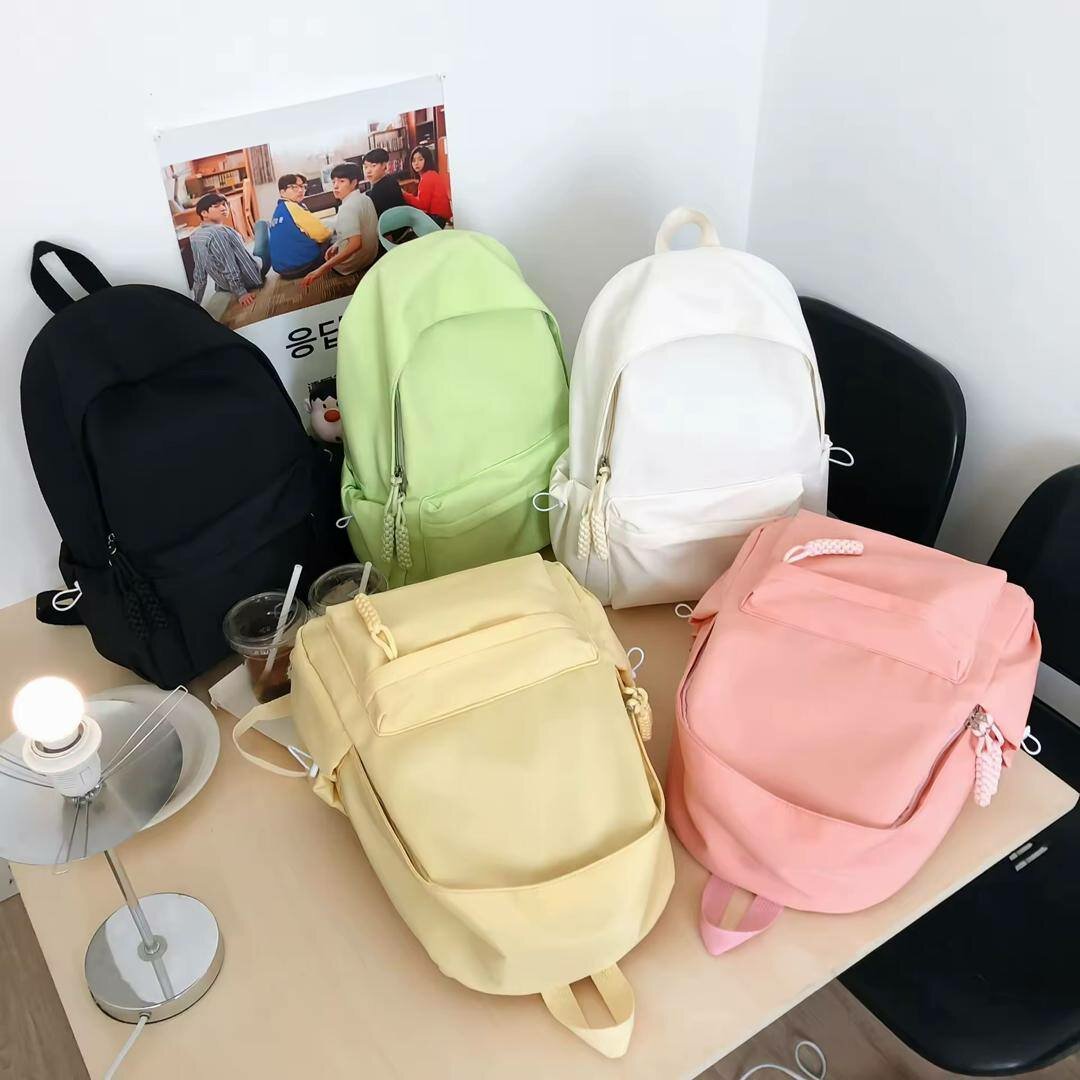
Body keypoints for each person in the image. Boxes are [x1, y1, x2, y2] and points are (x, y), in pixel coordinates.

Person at [301, 163, 378, 288]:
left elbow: (355, 244)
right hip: (370, 257)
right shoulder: (365, 198)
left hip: (352, 264)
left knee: (318, 246)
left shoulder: (347, 208)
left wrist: (321, 269)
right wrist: (337, 244)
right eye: (334, 182)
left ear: (354, 183)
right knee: (332, 240)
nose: (336, 186)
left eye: (342, 181)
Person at [189, 192, 269, 308]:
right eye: (216, 206)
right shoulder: (219, 233)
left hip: (224, 285)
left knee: (256, 240)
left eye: (224, 204)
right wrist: (241, 292)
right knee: (263, 225)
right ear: (204, 213)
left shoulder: (195, 236)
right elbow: (230, 265)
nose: (223, 208)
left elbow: (199, 272)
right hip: (250, 278)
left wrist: (195, 303)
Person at [268, 174, 331, 278]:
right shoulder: (293, 207)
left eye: (303, 186)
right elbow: (323, 235)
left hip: (282, 270)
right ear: (282, 192)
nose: (300, 190)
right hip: (302, 265)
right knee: (334, 239)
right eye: (294, 187)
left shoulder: (279, 209)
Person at [402, 145, 452, 227]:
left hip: (436, 219)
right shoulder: (433, 174)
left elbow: (422, 205)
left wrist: (404, 194)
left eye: (420, 159)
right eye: (413, 160)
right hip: (440, 218)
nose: (416, 163)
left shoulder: (427, 177)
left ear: (427, 160)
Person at [362, 148, 406, 217]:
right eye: (366, 167)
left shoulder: (380, 189)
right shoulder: (390, 180)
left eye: (373, 166)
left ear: (384, 165)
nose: (368, 171)